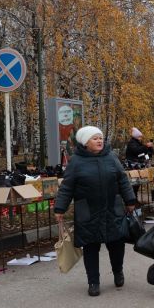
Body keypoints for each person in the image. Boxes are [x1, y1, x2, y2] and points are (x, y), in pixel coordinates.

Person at [55, 126, 137, 297]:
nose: (100, 141)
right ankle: (93, 282)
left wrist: (129, 200)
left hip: (112, 208)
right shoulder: (76, 161)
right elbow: (67, 187)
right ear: (85, 142)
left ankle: (118, 272)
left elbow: (122, 180)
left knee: (116, 244)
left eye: (100, 138)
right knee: (91, 247)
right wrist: (60, 208)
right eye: (95, 138)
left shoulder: (111, 157)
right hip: (87, 211)